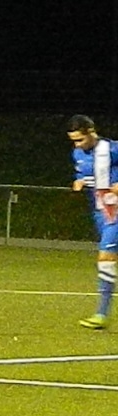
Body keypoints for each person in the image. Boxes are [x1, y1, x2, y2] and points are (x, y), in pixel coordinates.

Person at [68, 115, 118, 329]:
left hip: (115, 212)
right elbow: (85, 176)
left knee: (105, 257)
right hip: (100, 213)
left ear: (91, 132)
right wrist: (79, 182)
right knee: (108, 258)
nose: (77, 145)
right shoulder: (78, 154)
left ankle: (101, 314)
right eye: (74, 141)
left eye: (80, 139)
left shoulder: (112, 149)